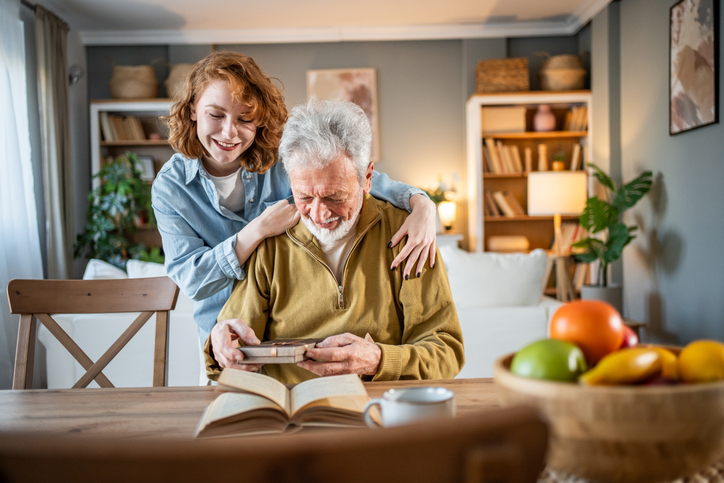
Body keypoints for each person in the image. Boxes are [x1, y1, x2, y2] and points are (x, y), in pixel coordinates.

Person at [151, 51, 438, 352]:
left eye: (245, 118)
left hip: (284, 334)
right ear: (193, 108)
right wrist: (256, 231)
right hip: (224, 340)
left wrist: (421, 204)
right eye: (216, 114)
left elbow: (350, 180)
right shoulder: (172, 188)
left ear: (260, 119)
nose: (229, 132)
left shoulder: (282, 158)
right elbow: (193, 281)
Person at [204, 99, 464, 384]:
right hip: (291, 414)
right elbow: (228, 343)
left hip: (380, 414)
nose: (318, 214)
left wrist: (378, 359)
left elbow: (446, 353)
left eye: (335, 197)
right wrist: (221, 345)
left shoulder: (408, 235)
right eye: (303, 197)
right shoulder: (271, 242)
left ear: (367, 178)